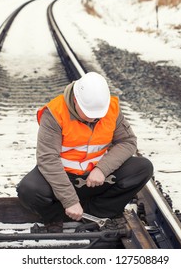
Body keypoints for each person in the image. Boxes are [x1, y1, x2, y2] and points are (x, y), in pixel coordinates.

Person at [17, 72, 153, 233]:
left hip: (97, 179)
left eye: (98, 115)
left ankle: (96, 214)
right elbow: (47, 159)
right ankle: (55, 217)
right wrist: (69, 200)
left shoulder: (111, 108)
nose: (94, 119)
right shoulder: (55, 113)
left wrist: (102, 169)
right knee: (28, 189)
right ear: (75, 101)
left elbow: (128, 142)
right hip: (63, 177)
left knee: (143, 167)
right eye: (89, 114)